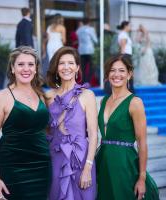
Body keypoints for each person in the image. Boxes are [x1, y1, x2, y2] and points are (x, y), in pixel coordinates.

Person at [0, 46, 51, 200]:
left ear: (36, 69)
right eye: (20, 64)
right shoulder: (1, 97)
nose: (26, 69)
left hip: (42, 165)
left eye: (30, 64)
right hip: (13, 168)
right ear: (12, 68)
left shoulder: (41, 95)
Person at [96, 54, 159, 200]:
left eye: (121, 70)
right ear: (107, 74)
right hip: (104, 162)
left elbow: (142, 143)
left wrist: (142, 178)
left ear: (129, 74)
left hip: (125, 164)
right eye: (112, 70)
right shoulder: (104, 101)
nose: (116, 74)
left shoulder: (135, 102)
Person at [46, 46, 98, 200]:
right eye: (62, 63)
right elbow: (46, 131)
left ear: (77, 68)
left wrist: (88, 168)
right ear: (56, 68)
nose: (66, 67)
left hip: (81, 160)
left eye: (71, 63)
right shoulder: (48, 96)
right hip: (56, 159)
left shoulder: (87, 95)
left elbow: (94, 135)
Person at [76, 18, 98, 84]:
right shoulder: (91, 29)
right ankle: (87, 81)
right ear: (89, 22)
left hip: (81, 50)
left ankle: (83, 81)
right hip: (90, 50)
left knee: (83, 67)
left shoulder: (78, 30)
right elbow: (95, 40)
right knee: (92, 67)